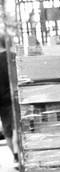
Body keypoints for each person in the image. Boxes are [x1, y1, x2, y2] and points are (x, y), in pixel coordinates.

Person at [0, 34, 18, 164]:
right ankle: (19, 156)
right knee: (17, 128)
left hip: (2, 102)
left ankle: (15, 156)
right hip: (14, 98)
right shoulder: (12, 56)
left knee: (8, 131)